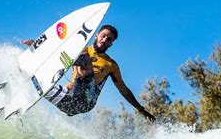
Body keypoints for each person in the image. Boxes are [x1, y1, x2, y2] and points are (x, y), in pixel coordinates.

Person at [22, 25, 155, 122]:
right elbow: (58, 52)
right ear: (97, 35)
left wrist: (140, 109)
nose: (104, 40)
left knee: (82, 55)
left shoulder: (110, 65)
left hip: (86, 101)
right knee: (39, 84)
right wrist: (37, 46)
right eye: (103, 36)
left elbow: (123, 89)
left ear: (111, 44)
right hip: (68, 101)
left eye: (109, 39)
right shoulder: (79, 49)